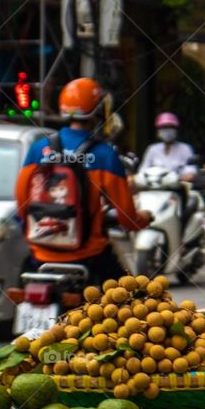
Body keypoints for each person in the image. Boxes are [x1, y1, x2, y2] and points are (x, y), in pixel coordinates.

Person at [15, 77, 150, 284]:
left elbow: (22, 204)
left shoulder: (39, 148)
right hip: (88, 257)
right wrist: (144, 218)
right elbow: (127, 219)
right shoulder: (105, 154)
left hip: (39, 256)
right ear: (98, 111)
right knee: (129, 298)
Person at [139, 112, 197, 179]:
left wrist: (187, 176)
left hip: (177, 186)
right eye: (163, 127)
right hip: (154, 185)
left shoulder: (185, 149)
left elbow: (191, 170)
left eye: (170, 127)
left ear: (176, 130)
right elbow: (143, 170)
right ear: (158, 132)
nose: (167, 130)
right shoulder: (152, 149)